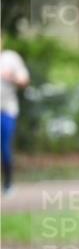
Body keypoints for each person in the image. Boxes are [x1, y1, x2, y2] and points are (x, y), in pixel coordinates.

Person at [0, 39, 30, 196]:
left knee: (4, 148)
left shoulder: (10, 58)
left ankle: (8, 185)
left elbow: (24, 80)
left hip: (6, 111)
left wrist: (9, 76)